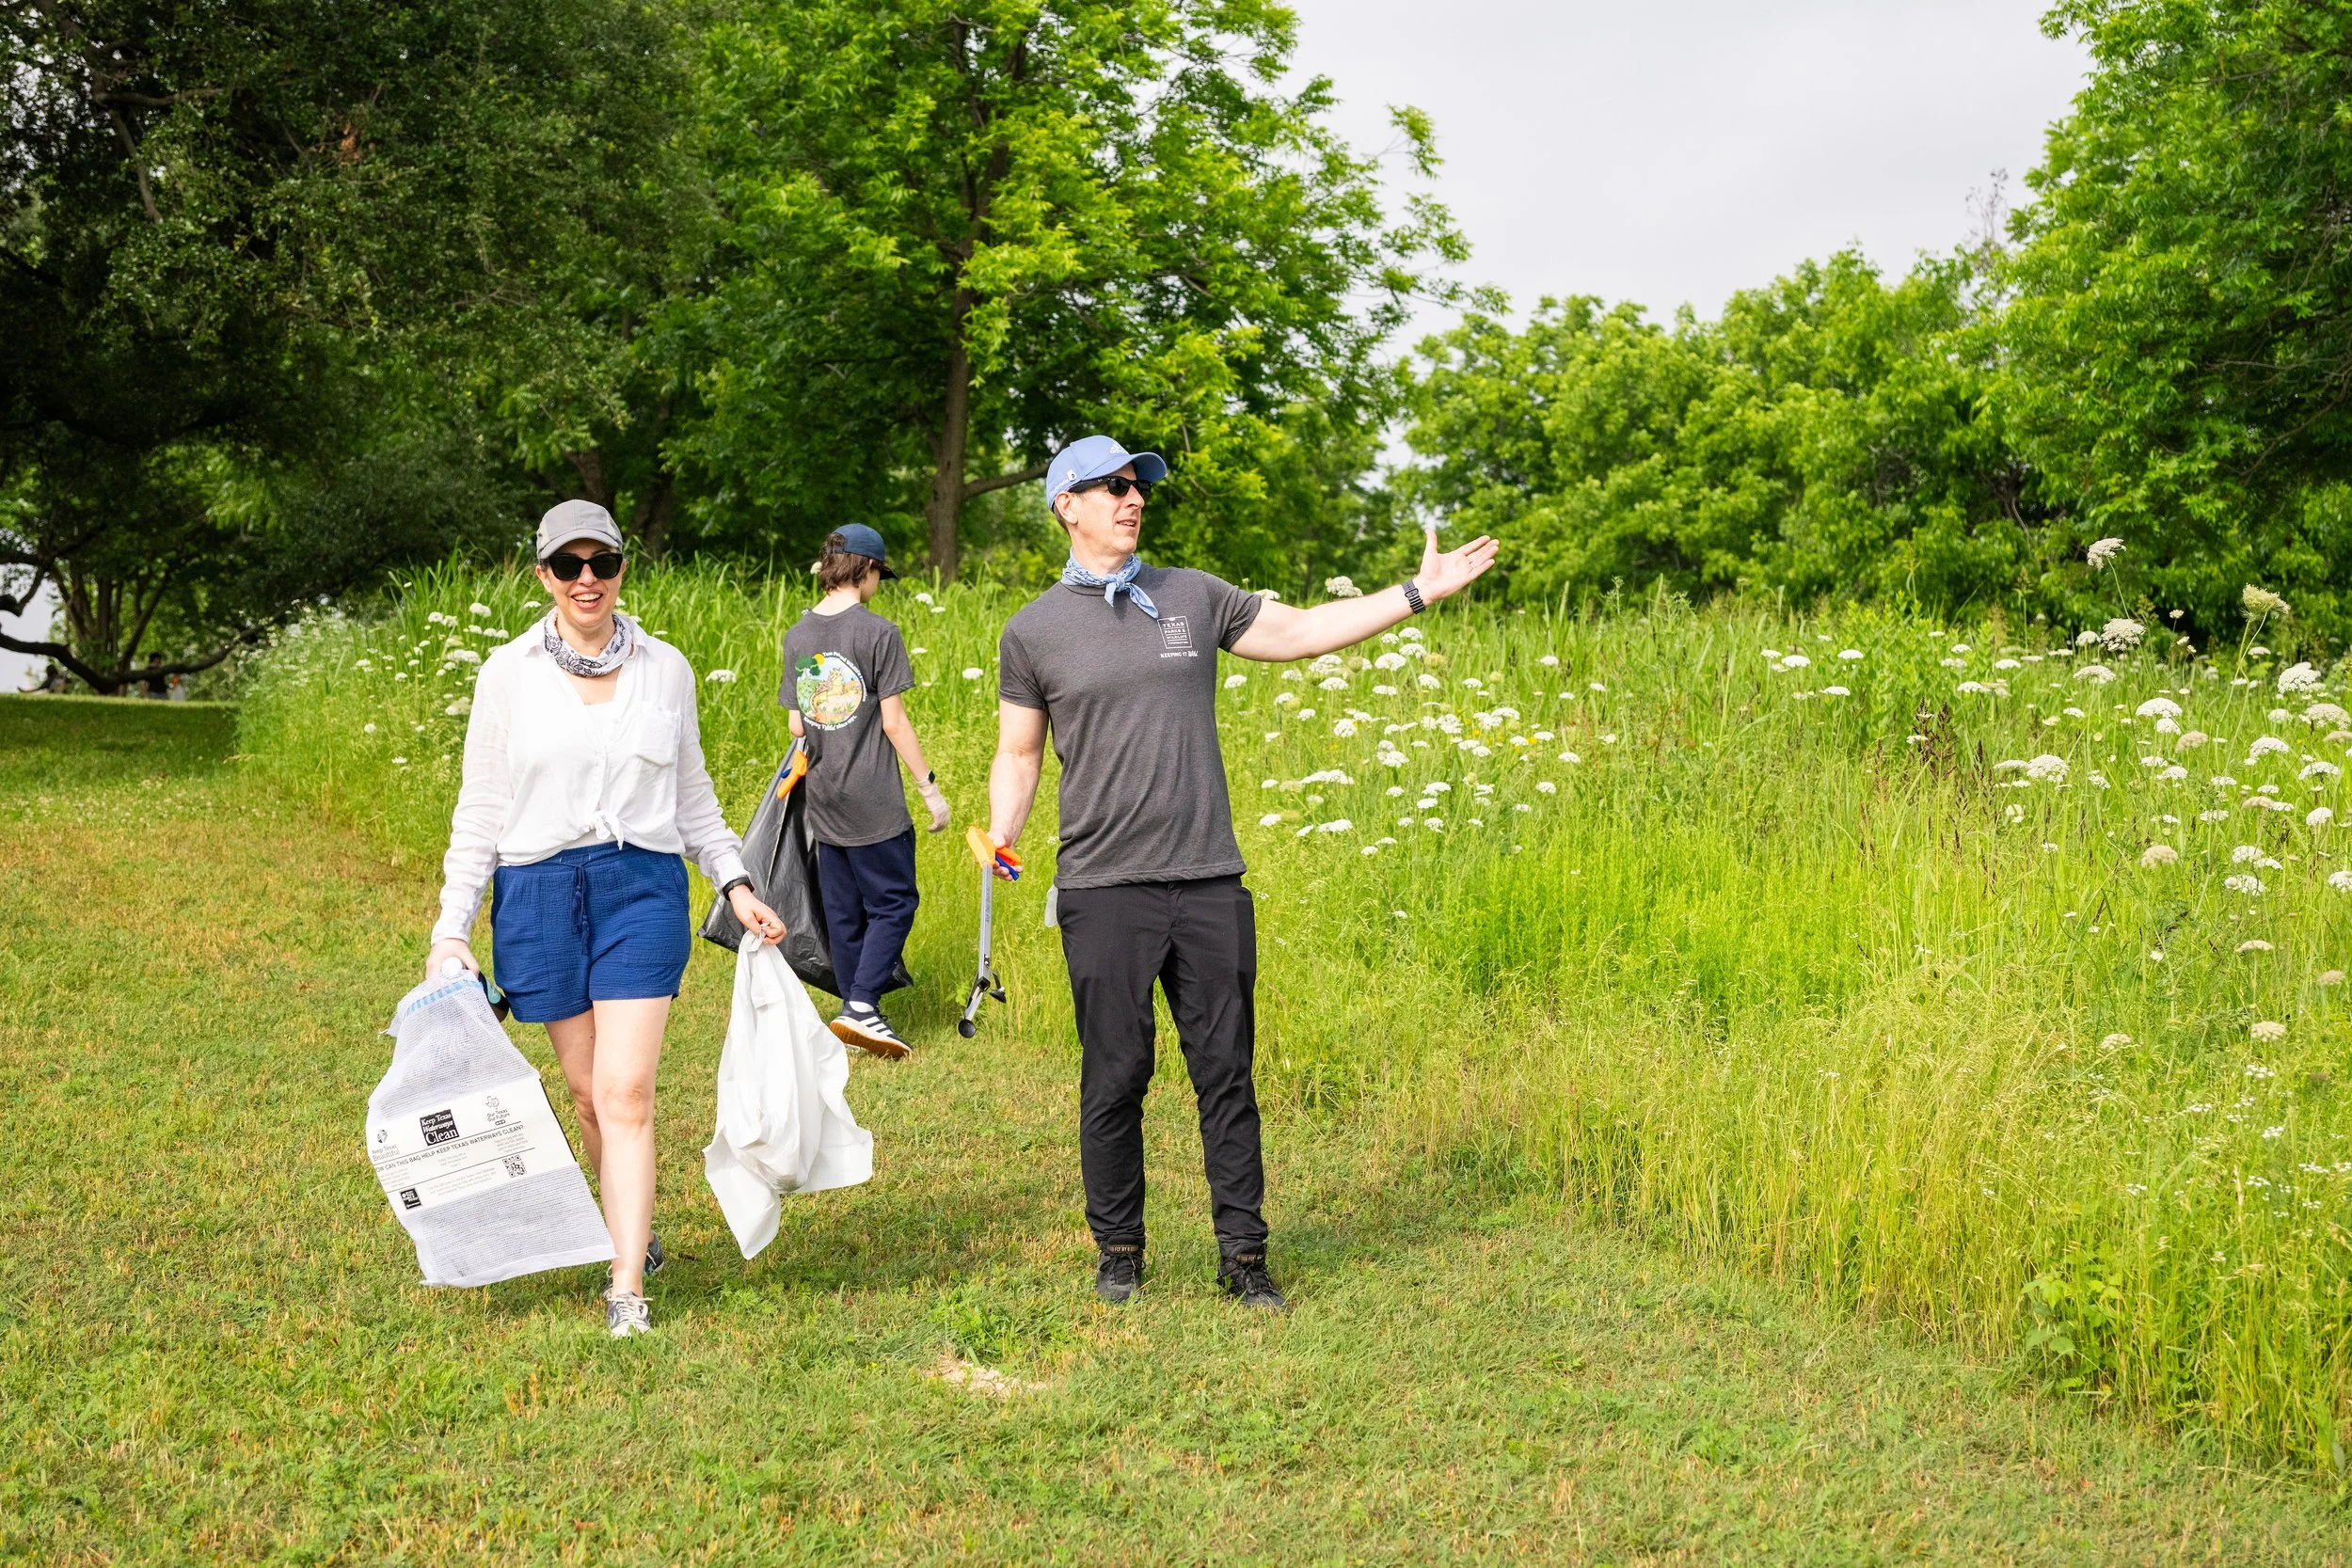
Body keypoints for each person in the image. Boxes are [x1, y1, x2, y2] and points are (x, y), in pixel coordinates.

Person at [987, 436, 1497, 1312]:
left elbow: (1300, 633)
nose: (1132, 496)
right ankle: (1119, 1248)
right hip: (1103, 886)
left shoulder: (1192, 593)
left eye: (1138, 483)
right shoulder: (1031, 630)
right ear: (1065, 504)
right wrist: (1003, 831)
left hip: (1210, 879)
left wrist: (1418, 594)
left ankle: (1244, 1255)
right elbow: (1019, 750)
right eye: (1111, 485)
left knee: (1226, 1070)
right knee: (1116, 1073)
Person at [426, 499, 787, 1338]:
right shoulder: (506, 672)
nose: (586, 579)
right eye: (567, 565)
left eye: (602, 562)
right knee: (588, 1095)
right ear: (543, 574)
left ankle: (626, 1285)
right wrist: (453, 926)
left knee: (627, 1089)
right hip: (539, 892)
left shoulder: (668, 669)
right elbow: (480, 808)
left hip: (641, 887)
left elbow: (693, 799)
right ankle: (637, 1227)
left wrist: (734, 881)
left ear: (623, 567)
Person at [781, 524, 950, 1058]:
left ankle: (859, 1015)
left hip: (825, 798)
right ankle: (861, 1007)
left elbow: (796, 725)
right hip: (875, 799)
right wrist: (930, 790)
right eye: (880, 574)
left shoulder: (798, 635)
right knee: (895, 903)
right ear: (868, 569)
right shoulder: (880, 634)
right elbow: (895, 723)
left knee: (845, 912)